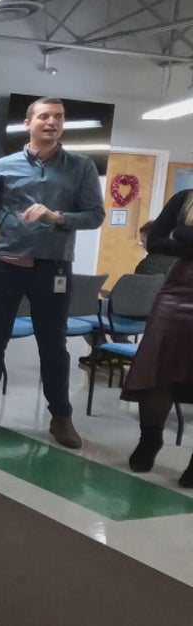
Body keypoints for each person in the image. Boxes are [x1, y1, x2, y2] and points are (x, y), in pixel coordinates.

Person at [0, 97, 105, 448]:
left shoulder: (81, 167)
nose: (52, 122)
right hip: (4, 266)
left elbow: (95, 215)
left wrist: (57, 217)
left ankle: (60, 415)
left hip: (52, 269)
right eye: (44, 116)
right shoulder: (5, 165)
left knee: (53, 344)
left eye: (58, 117)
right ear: (28, 123)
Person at [122, 189, 193, 486]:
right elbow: (155, 241)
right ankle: (150, 440)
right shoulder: (185, 198)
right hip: (177, 291)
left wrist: (184, 237)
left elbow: (176, 239)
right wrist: (184, 242)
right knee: (157, 366)